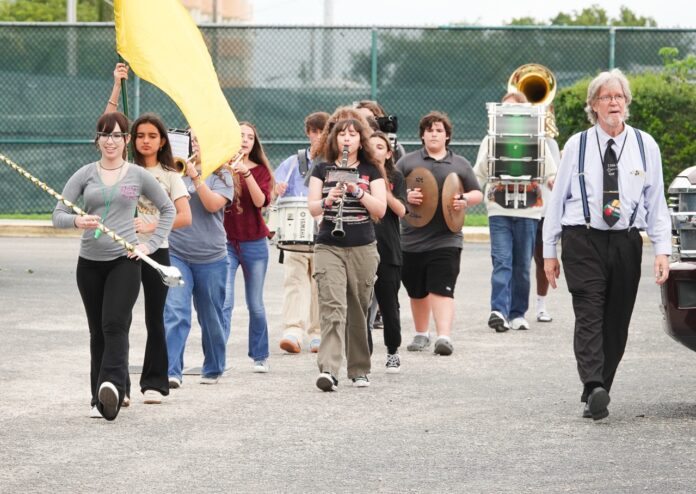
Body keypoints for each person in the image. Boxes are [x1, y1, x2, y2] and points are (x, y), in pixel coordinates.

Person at [543, 68, 671, 420]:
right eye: (606, 97)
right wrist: (549, 252)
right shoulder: (577, 145)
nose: (614, 102)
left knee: (616, 321)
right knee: (588, 312)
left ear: (626, 103)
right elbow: (557, 202)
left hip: (626, 240)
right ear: (593, 106)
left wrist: (662, 250)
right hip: (582, 237)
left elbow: (656, 202)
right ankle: (593, 385)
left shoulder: (646, 145)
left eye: (619, 96)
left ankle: (599, 392)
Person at [52, 111, 175, 421]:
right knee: (98, 332)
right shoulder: (84, 174)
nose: (111, 141)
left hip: (125, 261)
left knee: (115, 325)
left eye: (117, 135)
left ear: (126, 140)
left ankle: (112, 387)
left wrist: (150, 241)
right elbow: (57, 215)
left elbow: (168, 209)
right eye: (105, 135)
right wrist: (77, 220)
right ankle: (99, 397)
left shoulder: (137, 175)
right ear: (98, 140)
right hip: (89, 264)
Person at [106, 63, 193, 405]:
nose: (144, 141)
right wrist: (117, 85)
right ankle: (118, 385)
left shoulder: (171, 174)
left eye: (151, 136)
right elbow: (107, 125)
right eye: (139, 135)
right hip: (122, 251)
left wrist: (154, 225)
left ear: (161, 141)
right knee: (118, 318)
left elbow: (184, 217)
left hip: (158, 251)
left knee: (156, 317)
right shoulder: (120, 166)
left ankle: (155, 382)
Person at [308, 117, 387, 391]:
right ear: (334, 139)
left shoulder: (371, 170)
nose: (347, 139)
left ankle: (359, 368)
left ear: (360, 139)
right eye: (342, 134)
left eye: (352, 134)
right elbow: (313, 208)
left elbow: (380, 209)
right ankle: (329, 369)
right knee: (333, 308)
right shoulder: (322, 169)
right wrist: (328, 201)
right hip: (329, 243)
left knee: (358, 308)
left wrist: (357, 191)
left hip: (363, 246)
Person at [398, 111, 483, 356]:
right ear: (422, 136)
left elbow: (476, 192)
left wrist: (464, 199)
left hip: (447, 237)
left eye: (439, 130)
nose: (434, 134)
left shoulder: (460, 164)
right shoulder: (408, 162)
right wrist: (406, 196)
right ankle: (421, 333)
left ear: (447, 136)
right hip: (411, 238)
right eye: (429, 130)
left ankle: (443, 337)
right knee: (417, 290)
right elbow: (389, 187)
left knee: (441, 287)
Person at [473, 92, 557, 332]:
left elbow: (551, 174)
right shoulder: (491, 140)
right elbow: (477, 174)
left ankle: (518, 313)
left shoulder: (537, 140)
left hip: (530, 210)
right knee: (502, 261)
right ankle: (498, 311)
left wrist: (556, 185)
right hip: (498, 208)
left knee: (521, 264)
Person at [165, 131, 235, 387]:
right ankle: (172, 371)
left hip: (212, 256)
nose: (196, 143)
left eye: (201, 138)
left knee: (211, 317)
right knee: (175, 311)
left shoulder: (223, 174)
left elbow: (212, 205)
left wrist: (195, 174)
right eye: (192, 139)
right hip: (177, 252)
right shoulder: (173, 171)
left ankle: (214, 367)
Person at [274, 111, 329, 354]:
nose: (317, 136)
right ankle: (292, 332)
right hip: (294, 232)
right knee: (293, 281)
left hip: (324, 231)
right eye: (314, 131)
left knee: (321, 283)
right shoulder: (291, 162)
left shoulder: (334, 163)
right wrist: (277, 189)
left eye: (322, 131)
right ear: (308, 133)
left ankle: (317, 333)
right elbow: (273, 193)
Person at [222, 122, 274, 373]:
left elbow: (260, 201)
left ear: (255, 143)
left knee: (255, 302)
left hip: (254, 242)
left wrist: (246, 173)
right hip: (226, 242)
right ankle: (217, 354)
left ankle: (260, 355)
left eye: (249, 137)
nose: (244, 140)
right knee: (225, 300)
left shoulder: (261, 170)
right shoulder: (218, 166)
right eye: (239, 135)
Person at [367, 131, 407, 372]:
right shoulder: (358, 174)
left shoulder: (396, 176)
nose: (375, 151)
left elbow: (402, 210)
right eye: (371, 147)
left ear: (389, 152)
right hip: (361, 247)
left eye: (380, 147)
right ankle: (364, 354)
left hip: (388, 249)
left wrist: (383, 188)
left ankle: (393, 351)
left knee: (389, 304)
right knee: (361, 306)